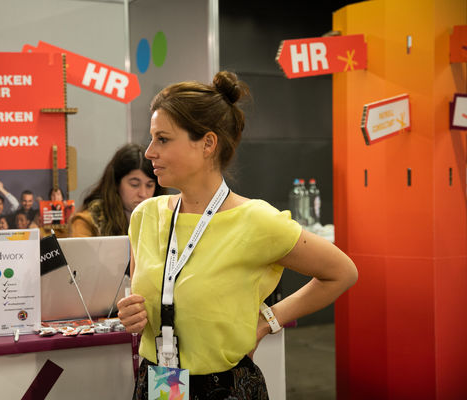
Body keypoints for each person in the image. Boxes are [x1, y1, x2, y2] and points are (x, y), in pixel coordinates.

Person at [116, 71, 358, 399]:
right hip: (160, 383)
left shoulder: (255, 220)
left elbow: (342, 273)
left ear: (207, 143)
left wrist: (268, 321)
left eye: (163, 139)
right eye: (151, 138)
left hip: (226, 388)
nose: (149, 152)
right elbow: (146, 301)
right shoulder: (145, 216)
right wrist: (132, 315)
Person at [67, 143, 165, 237]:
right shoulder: (87, 222)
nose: (143, 194)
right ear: (116, 183)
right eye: (134, 184)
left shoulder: (163, 220)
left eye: (149, 185)